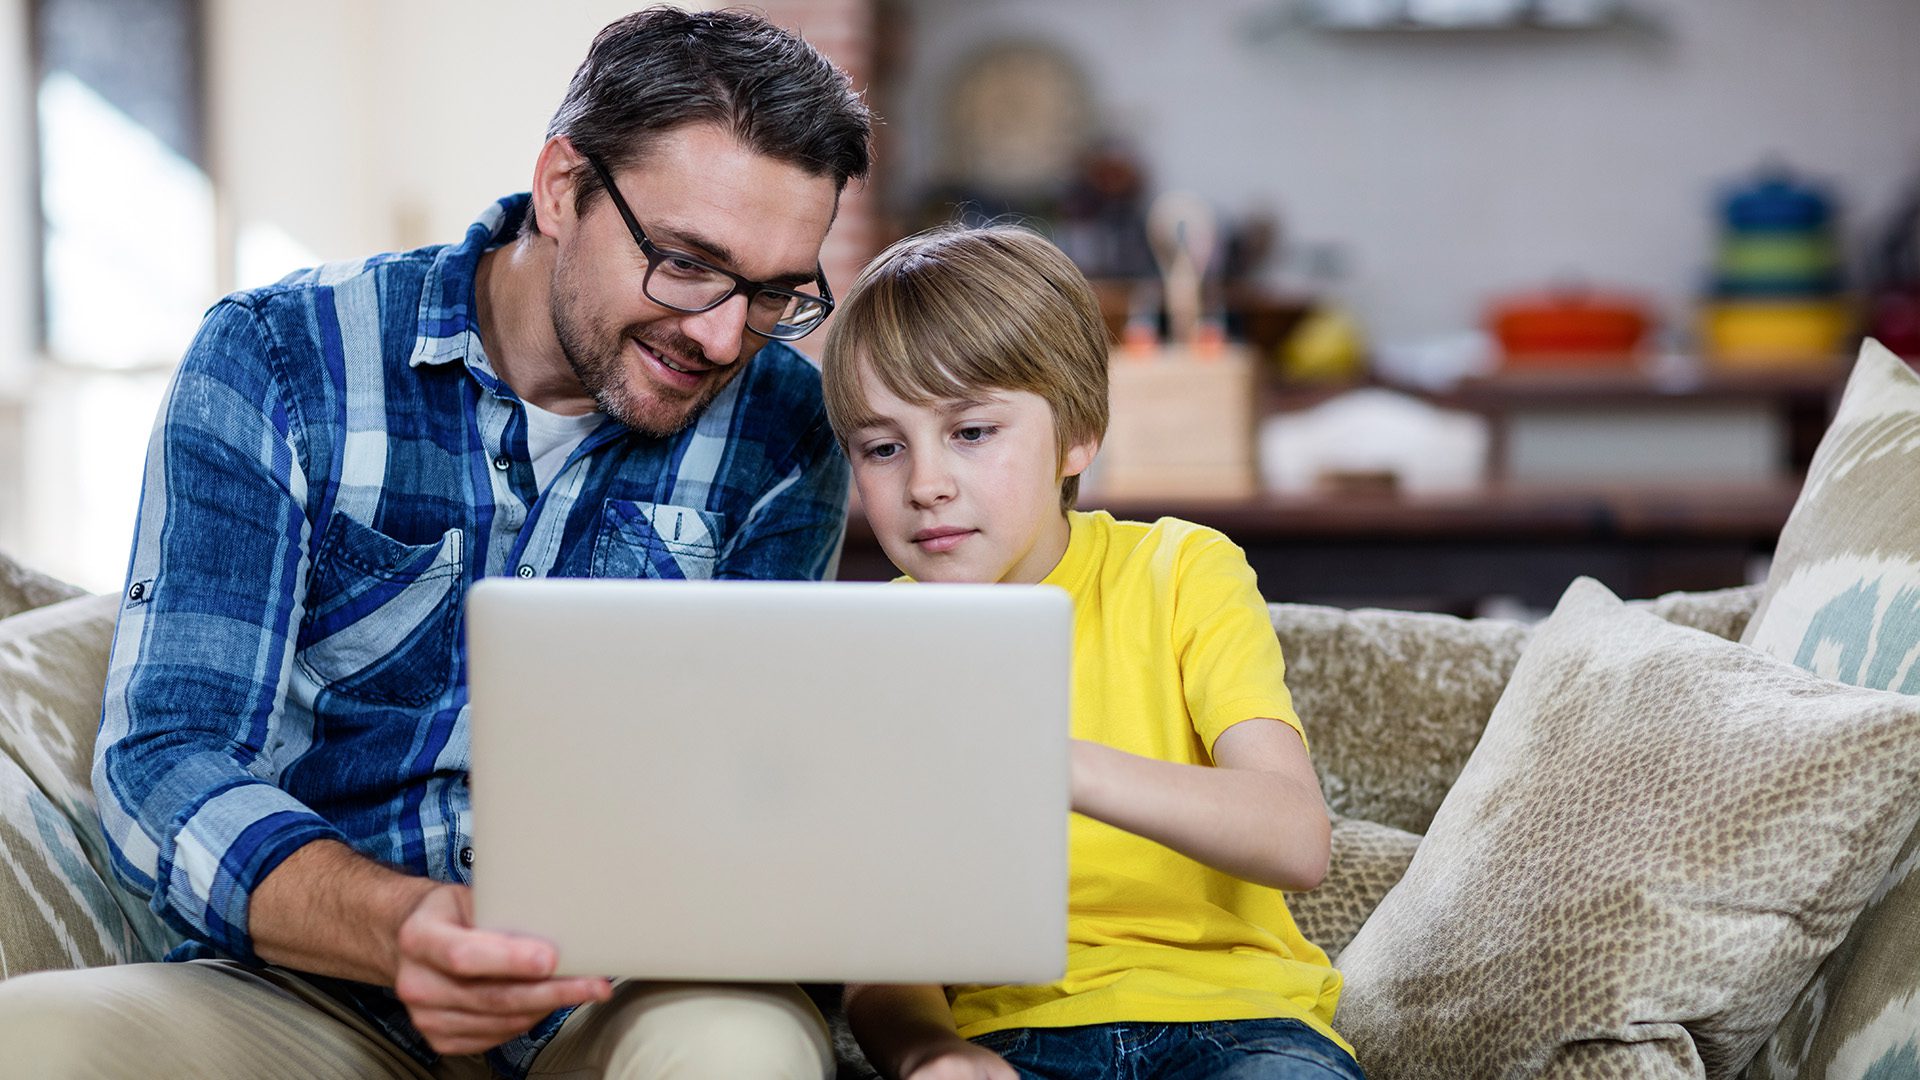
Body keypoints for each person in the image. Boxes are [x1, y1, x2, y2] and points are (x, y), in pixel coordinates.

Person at [0, 8, 870, 1079]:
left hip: (618, 1004)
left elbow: (763, 785)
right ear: (562, 189)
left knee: (744, 1049)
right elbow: (167, 756)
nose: (723, 335)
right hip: (315, 992)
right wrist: (401, 929)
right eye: (689, 264)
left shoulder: (788, 427)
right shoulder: (281, 361)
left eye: (777, 290)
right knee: (32, 1042)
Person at [819, 226, 1364, 1080]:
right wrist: (931, 1055)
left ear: (1078, 436)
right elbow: (888, 959)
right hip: (1018, 1042)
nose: (924, 483)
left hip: (1240, 1027)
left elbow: (1295, 839)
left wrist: (1049, 762)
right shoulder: (875, 652)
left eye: (971, 432)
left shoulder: (1183, 569)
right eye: (884, 447)